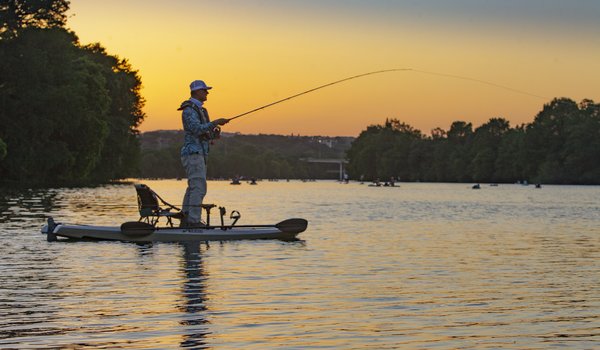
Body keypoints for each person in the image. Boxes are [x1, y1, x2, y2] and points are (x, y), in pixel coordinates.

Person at [179, 80, 229, 227]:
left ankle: (186, 218)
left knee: (194, 186)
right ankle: (193, 221)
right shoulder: (189, 110)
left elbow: (203, 133)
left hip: (199, 153)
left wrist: (214, 134)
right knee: (199, 187)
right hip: (193, 153)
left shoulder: (199, 109)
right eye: (204, 90)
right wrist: (215, 122)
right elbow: (196, 129)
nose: (207, 93)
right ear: (196, 92)